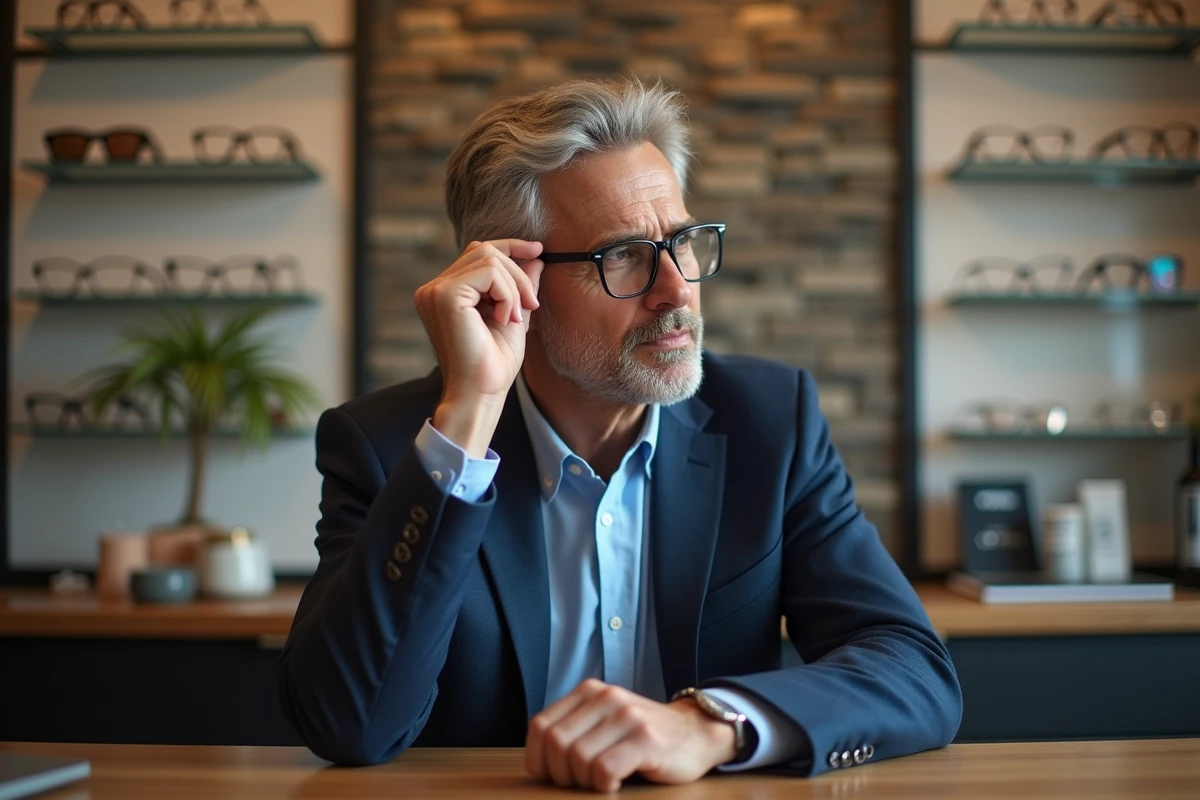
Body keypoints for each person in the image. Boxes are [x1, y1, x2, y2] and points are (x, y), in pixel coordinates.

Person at [278, 78, 961, 792]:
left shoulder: (769, 422)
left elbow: (913, 668)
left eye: (684, 243)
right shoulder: (393, 449)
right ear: (514, 282)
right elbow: (348, 723)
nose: (677, 292)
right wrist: (469, 415)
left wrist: (709, 724)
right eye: (626, 256)